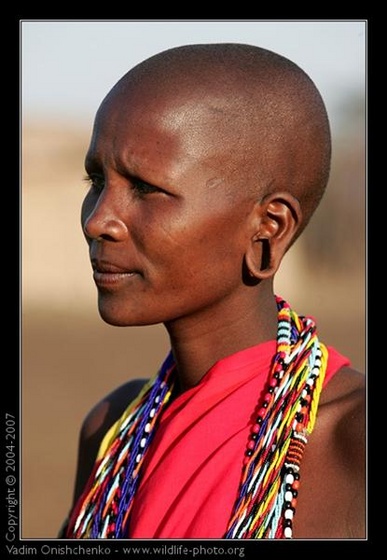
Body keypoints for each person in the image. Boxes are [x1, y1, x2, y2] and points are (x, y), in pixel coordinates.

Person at [59, 42, 366, 540]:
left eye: (144, 188)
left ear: (268, 229)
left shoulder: (351, 440)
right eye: (96, 180)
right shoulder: (111, 433)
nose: (98, 221)